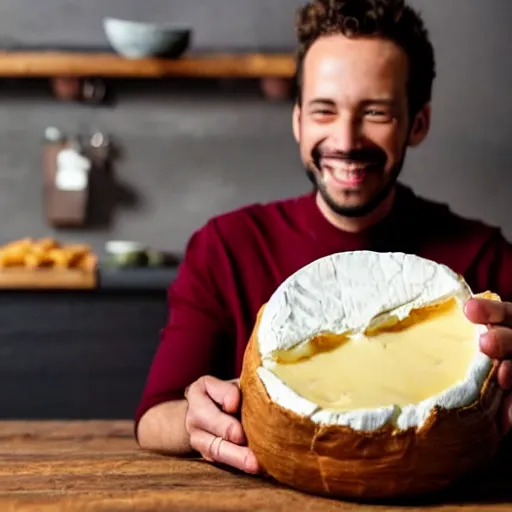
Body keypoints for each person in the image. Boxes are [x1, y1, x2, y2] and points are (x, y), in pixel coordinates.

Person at [135, 0, 512, 474]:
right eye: (324, 110)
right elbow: (154, 416)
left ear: (417, 123)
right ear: (298, 120)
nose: (346, 139)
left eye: (375, 112)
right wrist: (197, 417)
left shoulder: (485, 258)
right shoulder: (227, 246)